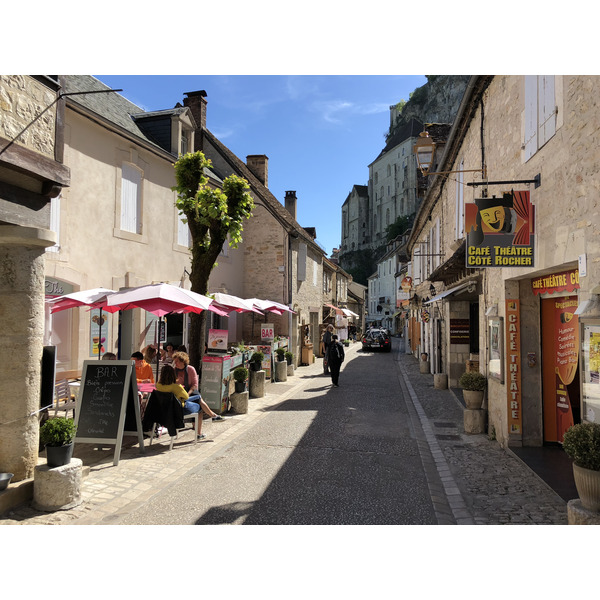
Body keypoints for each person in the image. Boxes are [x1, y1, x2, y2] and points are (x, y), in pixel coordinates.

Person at [172, 351, 225, 422]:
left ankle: (210, 417)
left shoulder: (191, 369)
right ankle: (213, 415)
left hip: (190, 391)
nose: (175, 363)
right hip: (179, 393)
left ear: (183, 361)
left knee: (198, 397)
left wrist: (188, 394)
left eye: (177, 361)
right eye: (174, 361)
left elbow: (195, 385)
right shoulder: (174, 371)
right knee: (198, 399)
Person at [156, 364, 205, 439]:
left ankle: (212, 415)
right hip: (178, 411)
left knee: (197, 399)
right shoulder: (176, 387)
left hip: (162, 411)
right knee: (199, 407)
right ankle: (199, 433)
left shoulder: (158, 385)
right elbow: (186, 397)